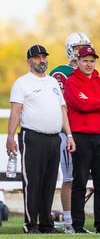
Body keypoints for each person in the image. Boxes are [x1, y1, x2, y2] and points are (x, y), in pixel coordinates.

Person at [6, 45, 75, 233]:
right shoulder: (22, 83)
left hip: (54, 138)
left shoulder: (53, 82)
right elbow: (15, 112)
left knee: (50, 182)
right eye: (37, 57)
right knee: (33, 182)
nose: (42, 60)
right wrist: (11, 137)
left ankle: (46, 223)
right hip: (32, 137)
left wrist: (69, 135)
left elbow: (62, 110)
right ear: (29, 60)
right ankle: (31, 224)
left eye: (44, 57)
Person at [64, 45, 100, 233]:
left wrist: (92, 102)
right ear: (77, 62)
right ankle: (77, 225)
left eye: (92, 61)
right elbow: (80, 104)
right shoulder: (71, 82)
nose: (89, 64)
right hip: (81, 137)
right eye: (85, 60)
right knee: (79, 183)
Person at [49, 31, 92, 233]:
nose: (81, 51)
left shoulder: (89, 72)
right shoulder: (61, 72)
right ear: (70, 49)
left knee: (81, 178)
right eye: (77, 48)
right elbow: (59, 102)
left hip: (84, 129)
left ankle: (77, 221)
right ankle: (69, 222)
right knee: (70, 177)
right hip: (66, 130)